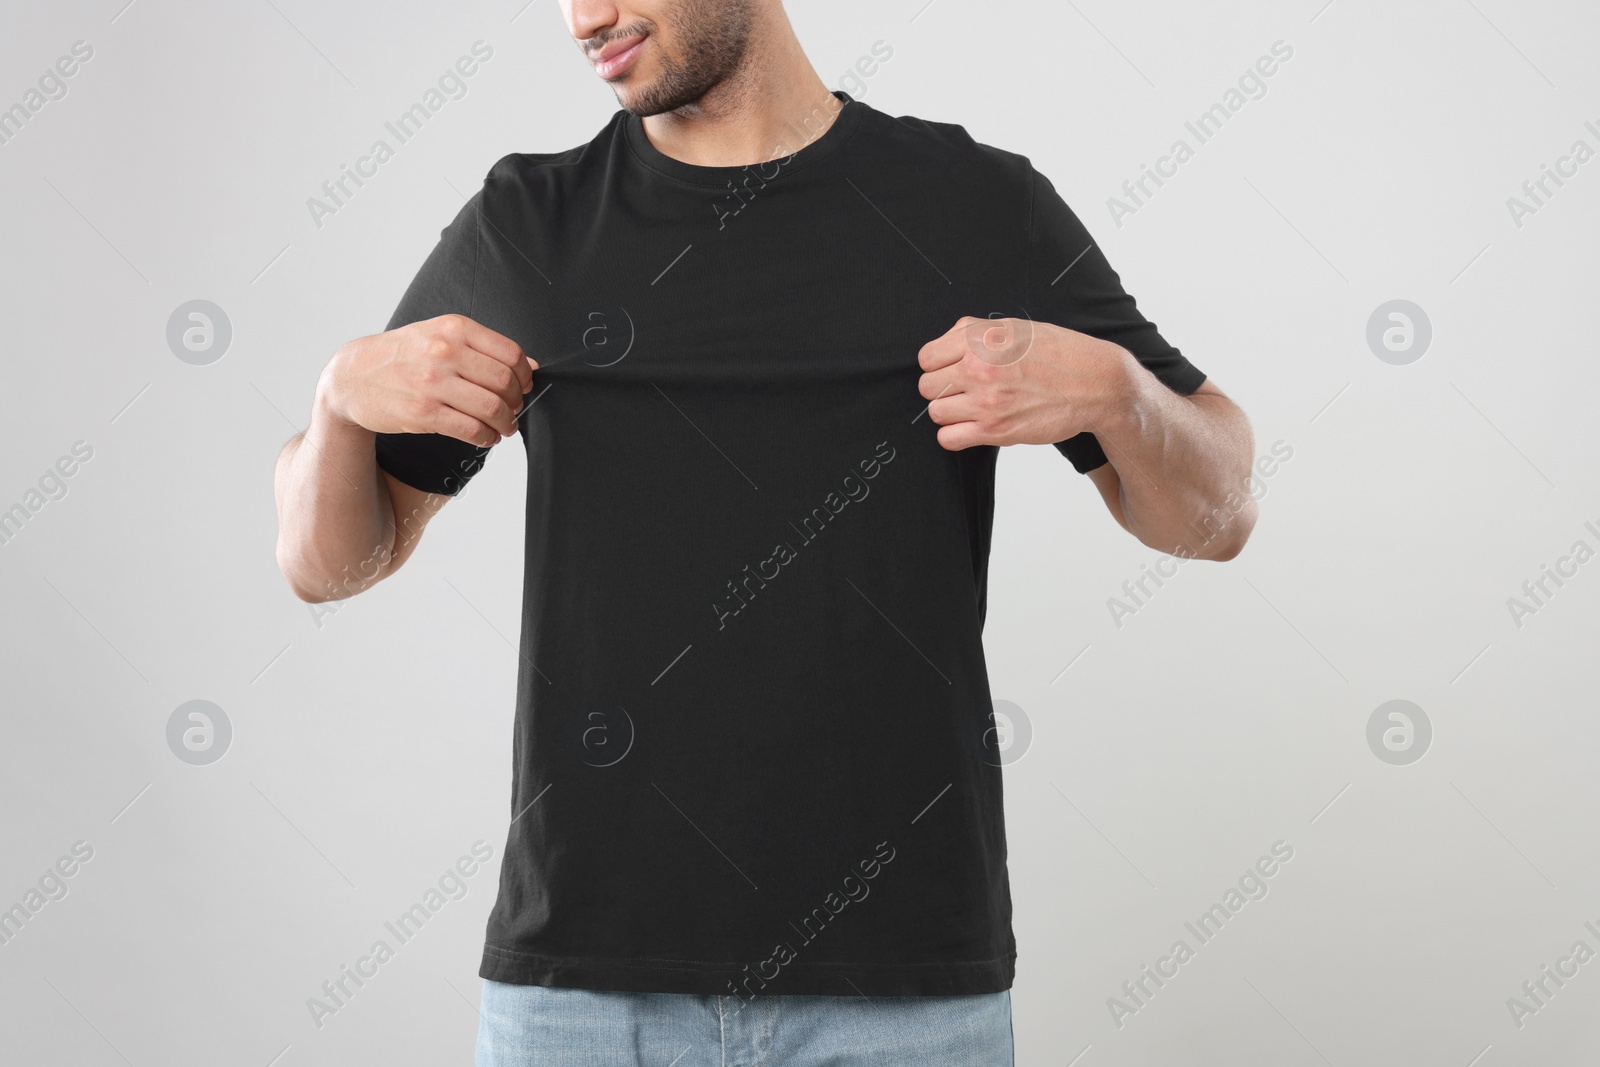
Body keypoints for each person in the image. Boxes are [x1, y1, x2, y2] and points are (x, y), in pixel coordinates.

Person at [272, 1, 1258, 1063]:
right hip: (586, 998)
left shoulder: (973, 205)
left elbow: (1217, 514)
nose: (582, 17)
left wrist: (1116, 393)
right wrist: (337, 404)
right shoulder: (531, 224)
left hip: (904, 993)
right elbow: (334, 565)